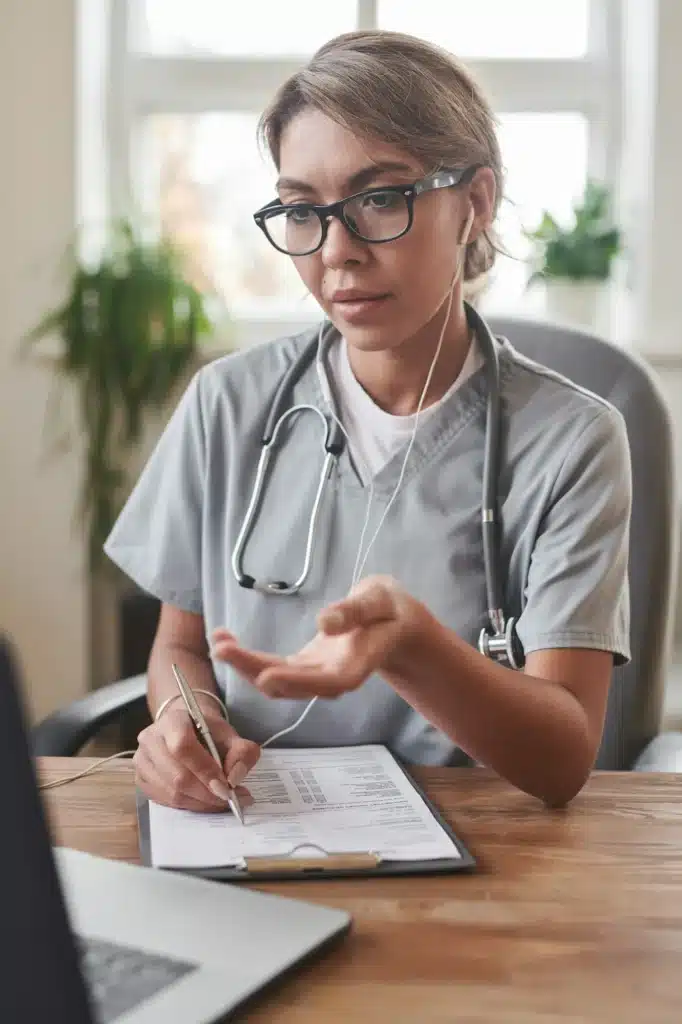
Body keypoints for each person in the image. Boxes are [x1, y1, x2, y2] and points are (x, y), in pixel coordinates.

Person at [104, 30, 631, 814]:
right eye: (301, 211)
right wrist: (186, 716)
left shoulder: (571, 441)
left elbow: (561, 759)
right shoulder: (226, 406)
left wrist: (412, 648)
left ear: (474, 204)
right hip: (249, 819)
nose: (337, 252)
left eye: (380, 198)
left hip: (483, 855)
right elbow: (181, 645)